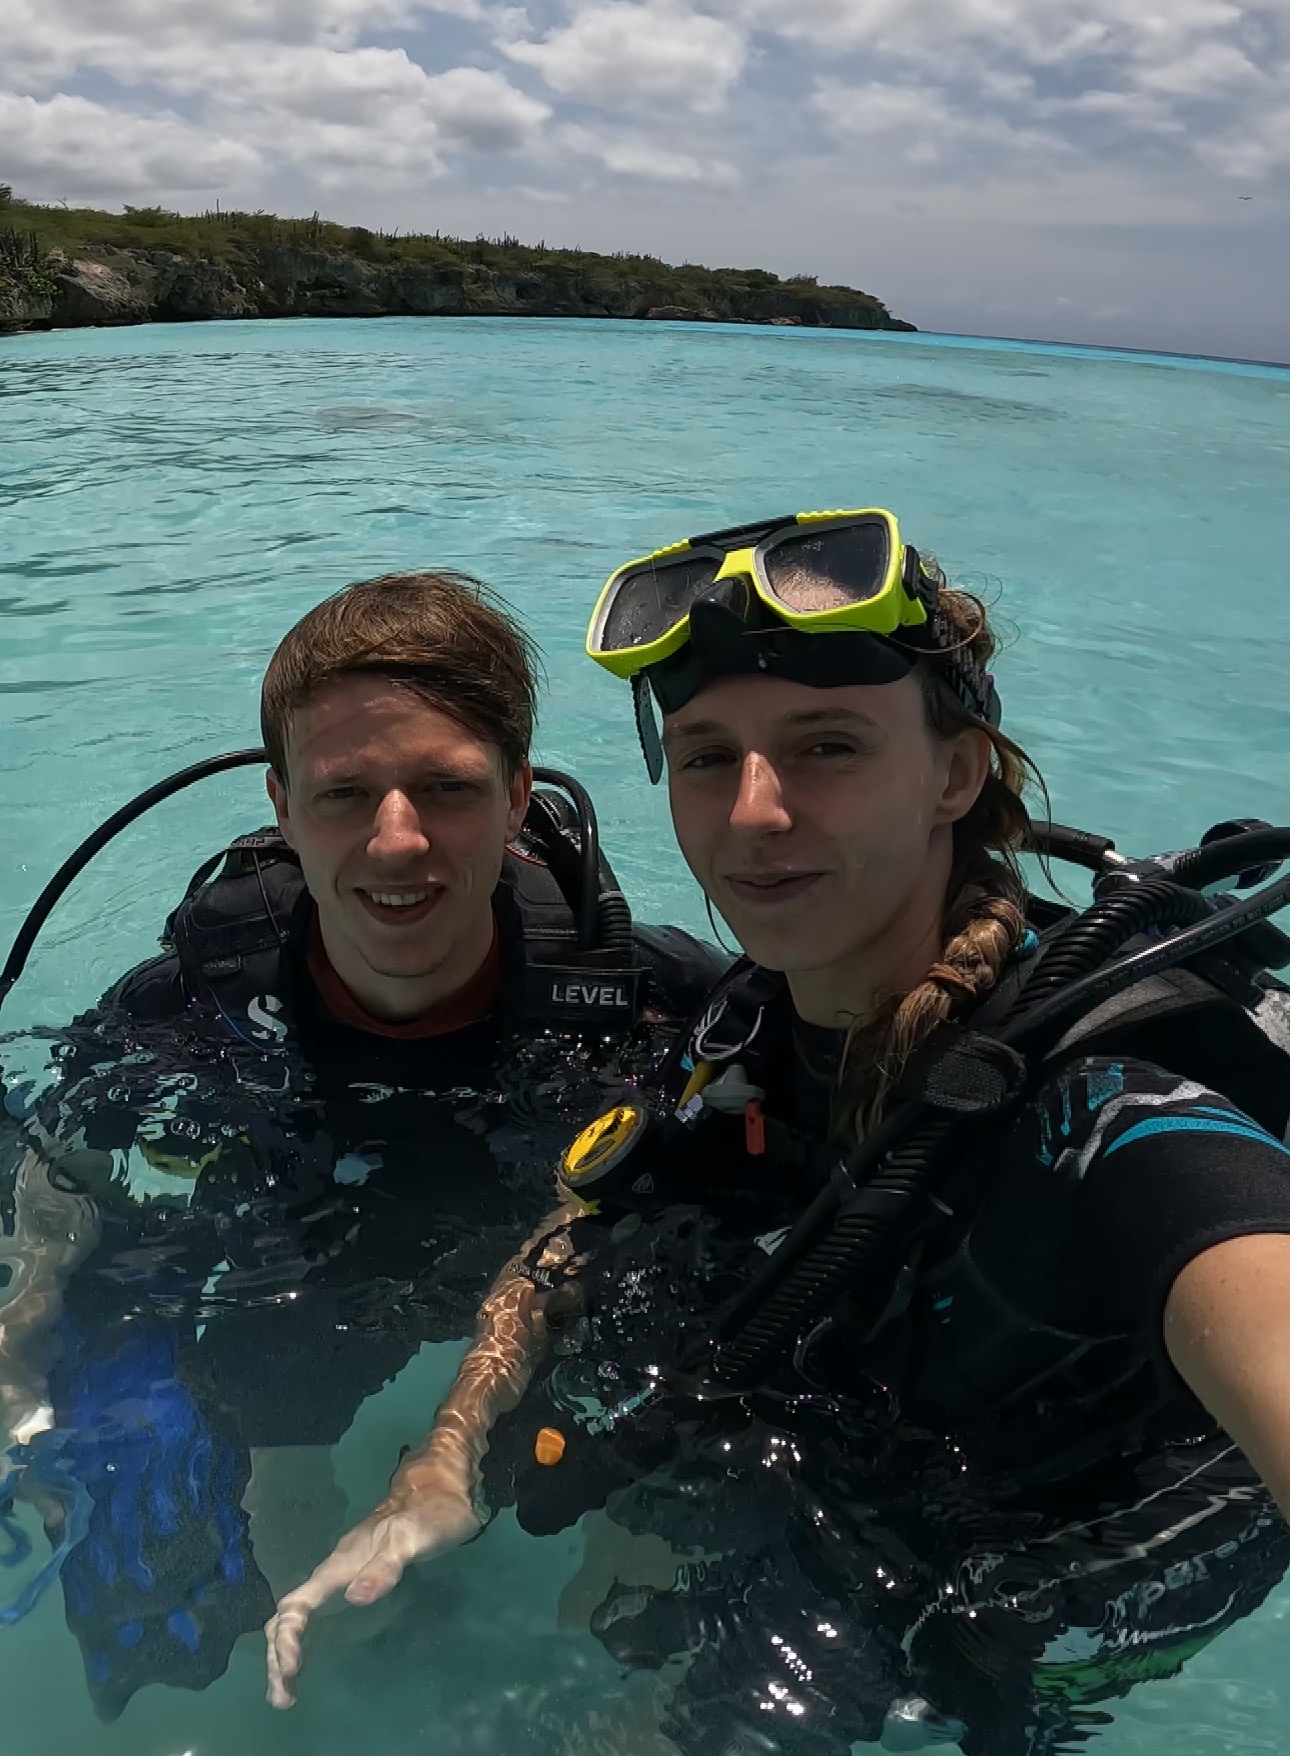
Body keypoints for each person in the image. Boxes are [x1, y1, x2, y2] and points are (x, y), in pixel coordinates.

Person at [267, 511, 1290, 1751]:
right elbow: (578, 1228)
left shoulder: (1114, 1111)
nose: (754, 812)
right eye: (708, 757)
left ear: (955, 774)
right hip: (841, 1460)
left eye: (826, 746)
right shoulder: (751, 1020)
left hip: (1022, 1585)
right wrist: (443, 1458)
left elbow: (1239, 1257)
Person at [0, 568, 722, 1719]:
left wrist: (455, 1439)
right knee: (272, 1526)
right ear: (284, 808)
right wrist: (24, 1321)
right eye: (345, 793)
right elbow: (61, 1142)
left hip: (551, 1267)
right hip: (311, 1244)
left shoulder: (646, 1002)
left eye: (446, 787)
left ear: (516, 795)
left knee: (660, 1440)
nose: (397, 841)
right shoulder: (207, 990)